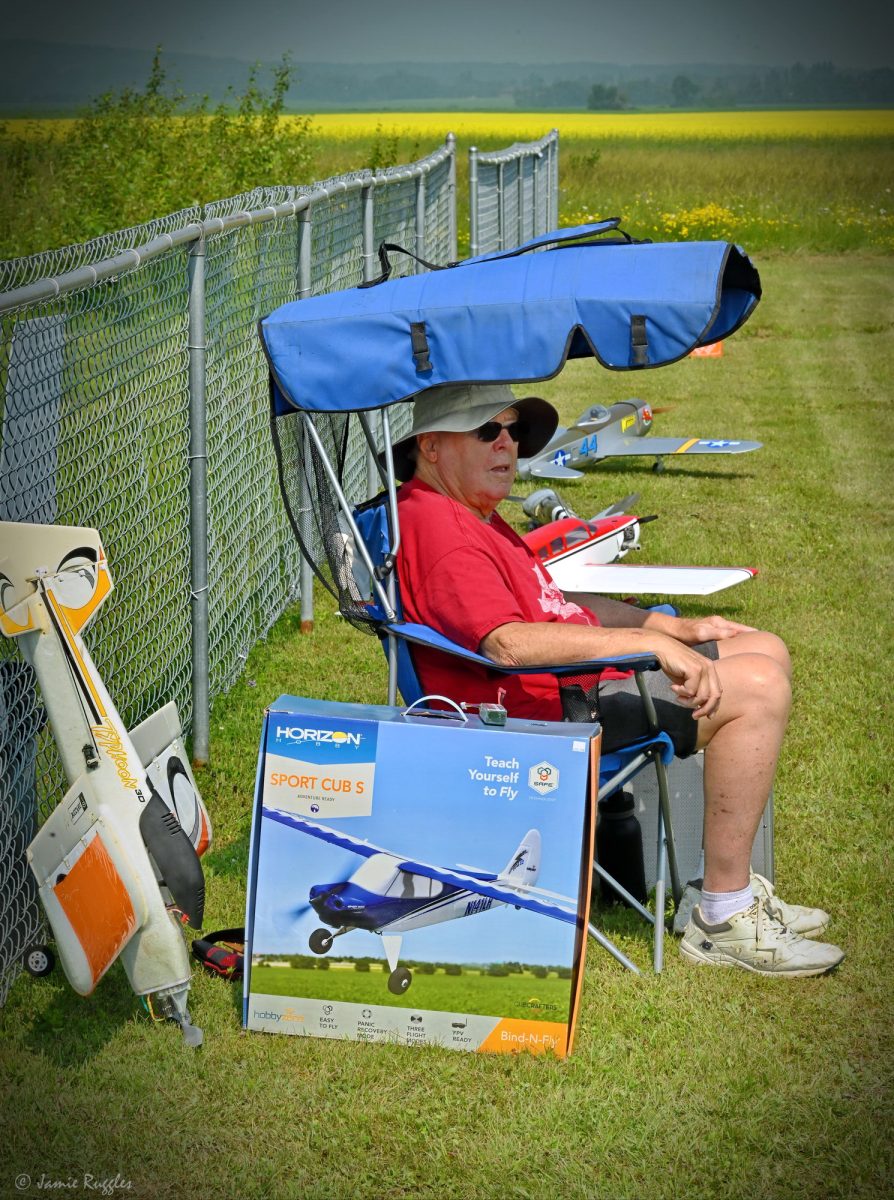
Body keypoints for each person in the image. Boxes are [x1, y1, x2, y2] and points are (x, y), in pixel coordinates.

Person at [390, 382, 844, 976]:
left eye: (513, 430)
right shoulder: (441, 530)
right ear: (430, 446)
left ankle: (720, 890)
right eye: (487, 431)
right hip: (543, 718)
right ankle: (723, 916)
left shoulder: (468, 513)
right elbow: (509, 642)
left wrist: (670, 626)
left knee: (764, 648)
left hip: (569, 684)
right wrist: (647, 644)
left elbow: (553, 602)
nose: (508, 445)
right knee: (758, 687)